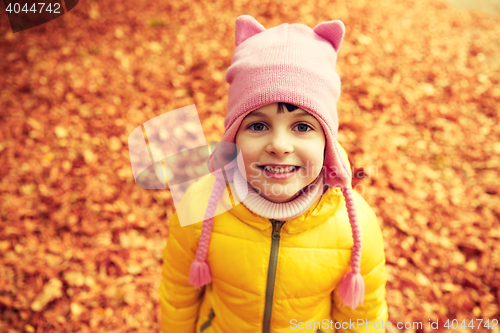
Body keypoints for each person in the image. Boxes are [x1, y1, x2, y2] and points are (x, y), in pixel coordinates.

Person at [159, 14, 387, 333]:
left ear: (328, 144)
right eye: (258, 125)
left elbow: (362, 318)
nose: (279, 145)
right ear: (233, 138)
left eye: (303, 126)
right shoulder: (199, 207)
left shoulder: (353, 226)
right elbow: (177, 296)